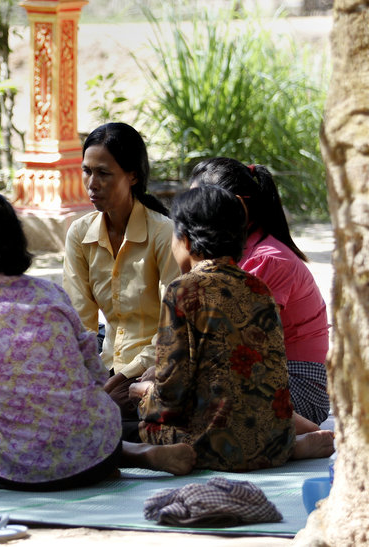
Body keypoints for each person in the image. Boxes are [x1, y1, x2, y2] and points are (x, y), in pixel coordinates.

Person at [0, 190, 196, 491]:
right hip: (98, 454)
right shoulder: (48, 291)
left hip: (18, 471)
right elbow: (93, 370)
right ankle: (136, 453)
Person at [137, 186, 334, 471]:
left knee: (142, 426)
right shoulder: (259, 288)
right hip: (269, 440)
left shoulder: (182, 291)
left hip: (213, 445)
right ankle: (288, 446)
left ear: (186, 240)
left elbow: (172, 396)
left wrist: (144, 394)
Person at [189, 157, 331, 429]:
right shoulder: (241, 254)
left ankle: (298, 435)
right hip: (264, 379)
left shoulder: (267, 260)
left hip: (298, 389)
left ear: (238, 206)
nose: (189, 215)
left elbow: (238, 344)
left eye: (200, 205)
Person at [63, 123, 180, 418]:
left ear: (133, 176)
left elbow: (175, 324)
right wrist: (87, 376)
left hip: (159, 365)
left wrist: (130, 373)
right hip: (107, 368)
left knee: (102, 415)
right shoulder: (79, 233)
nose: (92, 183)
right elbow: (80, 323)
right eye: (87, 171)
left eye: (103, 173)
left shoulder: (163, 233)